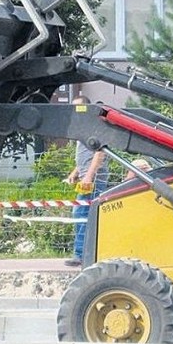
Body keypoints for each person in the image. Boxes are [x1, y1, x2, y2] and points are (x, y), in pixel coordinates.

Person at [64, 96, 109, 267]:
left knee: (82, 215)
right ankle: (84, 253)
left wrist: (89, 176)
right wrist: (75, 172)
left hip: (92, 180)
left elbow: (99, 153)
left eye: (77, 107)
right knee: (82, 214)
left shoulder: (93, 127)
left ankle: (81, 255)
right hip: (86, 177)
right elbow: (85, 157)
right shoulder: (82, 129)